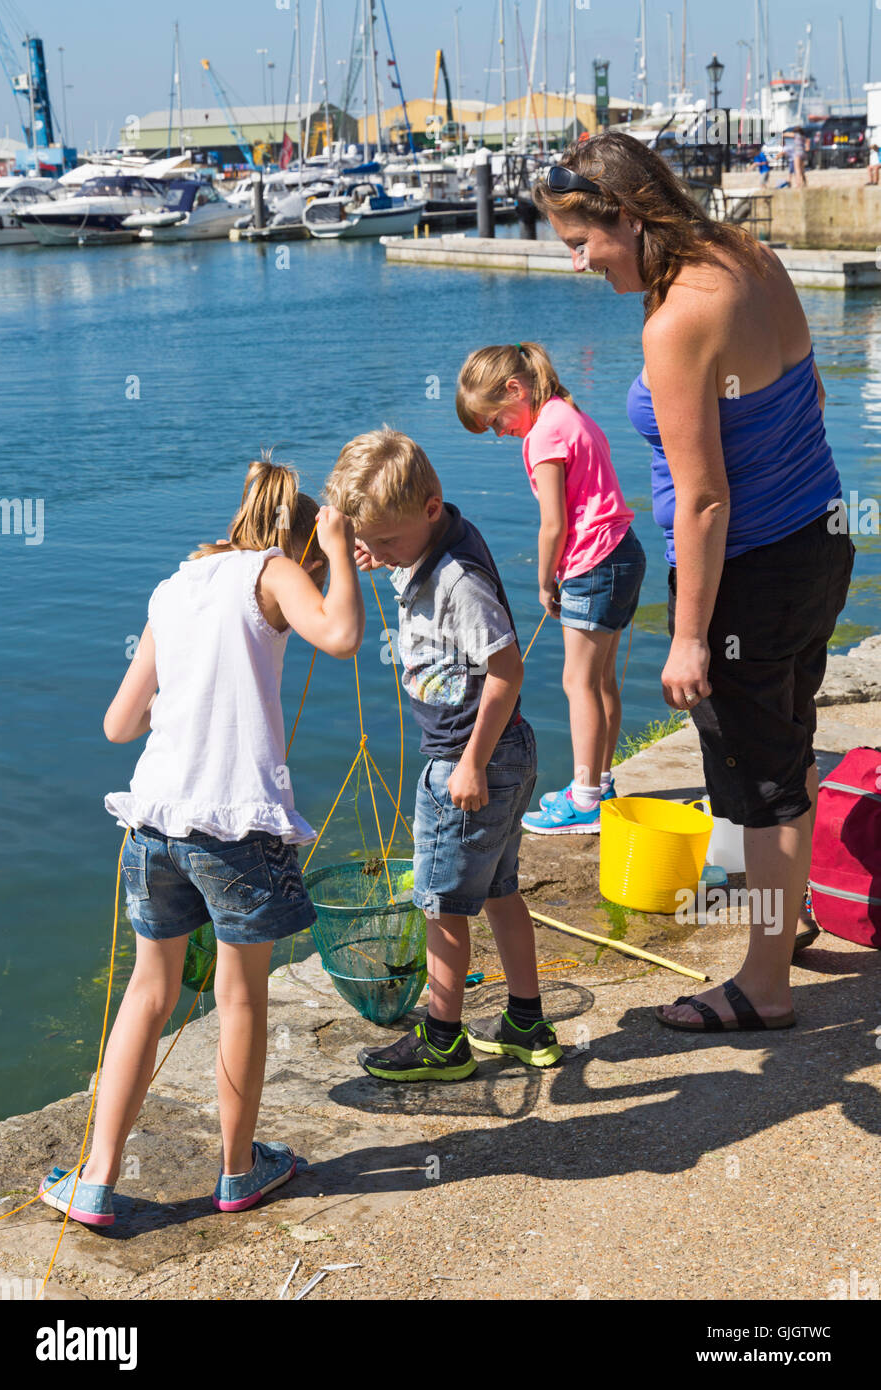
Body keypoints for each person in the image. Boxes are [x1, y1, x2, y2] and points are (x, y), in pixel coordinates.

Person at [534, 131, 854, 1034]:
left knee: (757, 780)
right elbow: (812, 394)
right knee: (785, 747)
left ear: (627, 220)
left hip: (749, 569)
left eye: (579, 241)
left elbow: (705, 501)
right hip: (818, 540)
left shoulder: (675, 320)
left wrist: (684, 637)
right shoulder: (749, 255)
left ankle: (762, 986)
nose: (575, 262)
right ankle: (778, 931)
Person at [39, 460, 364, 1226]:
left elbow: (120, 724)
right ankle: (238, 1172)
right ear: (301, 545)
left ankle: (95, 1179)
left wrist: (189, 700)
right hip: (235, 829)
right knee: (240, 996)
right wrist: (341, 547)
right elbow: (343, 635)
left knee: (146, 994)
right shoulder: (279, 572)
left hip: (152, 820)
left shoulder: (177, 583)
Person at [326, 428, 563, 1081]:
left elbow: (507, 671)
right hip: (501, 752)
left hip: (469, 756)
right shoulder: (434, 542)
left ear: (431, 509)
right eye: (366, 542)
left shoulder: (458, 580)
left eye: (386, 541)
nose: (374, 552)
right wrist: (389, 555)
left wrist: (468, 765)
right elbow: (400, 545)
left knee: (440, 905)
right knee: (498, 890)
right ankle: (523, 1019)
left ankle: (442, 1039)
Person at [455, 341, 645, 833]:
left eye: (496, 420)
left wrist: (545, 582)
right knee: (601, 680)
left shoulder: (542, 435)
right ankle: (599, 783)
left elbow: (553, 524)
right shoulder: (567, 411)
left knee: (577, 682)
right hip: (624, 551)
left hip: (593, 562)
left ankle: (584, 801)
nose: (501, 432)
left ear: (514, 389)